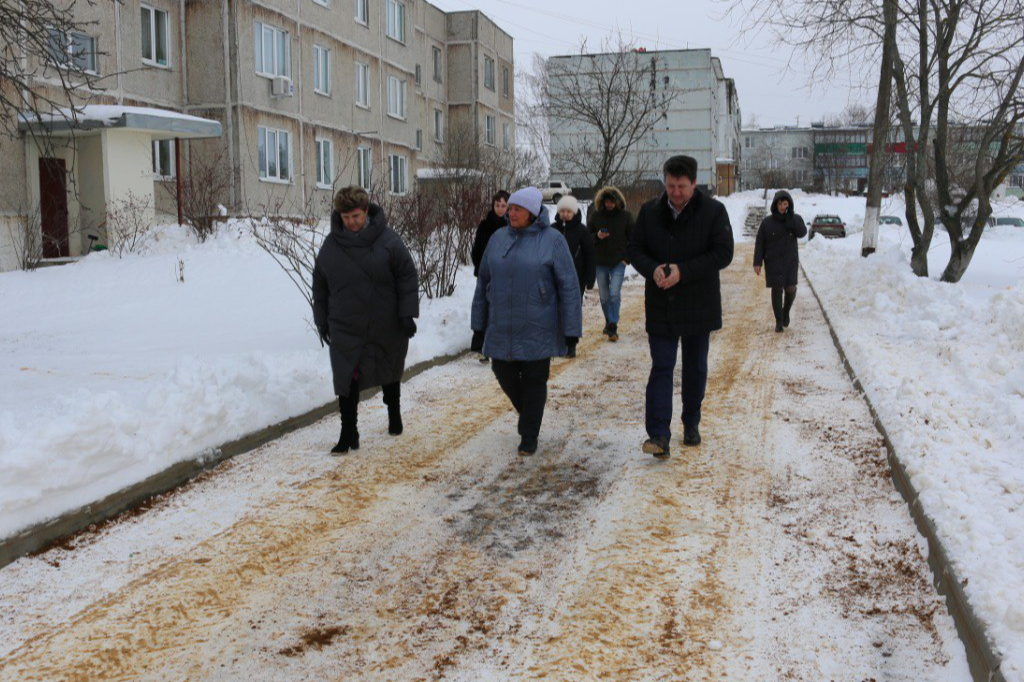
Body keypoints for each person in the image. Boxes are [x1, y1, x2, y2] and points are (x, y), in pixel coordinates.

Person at [627, 155, 734, 458]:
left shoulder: (714, 211)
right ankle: (659, 434)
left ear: (695, 183)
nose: (675, 192)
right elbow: (634, 248)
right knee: (662, 366)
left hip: (699, 303)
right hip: (661, 304)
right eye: (671, 185)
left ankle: (691, 421)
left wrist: (683, 271)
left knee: (695, 367)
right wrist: (653, 269)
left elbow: (724, 252)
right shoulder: (650, 211)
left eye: (682, 186)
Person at [471, 187, 582, 456]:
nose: (511, 213)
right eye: (510, 208)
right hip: (503, 324)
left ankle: (529, 433)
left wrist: (571, 331)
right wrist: (478, 325)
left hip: (539, 324)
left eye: (517, 209)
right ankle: (530, 413)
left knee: (534, 379)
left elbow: (568, 286)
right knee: (503, 372)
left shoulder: (553, 240)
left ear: (532, 213)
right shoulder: (498, 238)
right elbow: (484, 281)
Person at [312, 186, 419, 455]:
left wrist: (406, 314)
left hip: (384, 320)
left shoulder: (388, 240)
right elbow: (320, 285)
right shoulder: (331, 245)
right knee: (347, 378)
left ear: (366, 211)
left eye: (356, 216)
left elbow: (407, 275)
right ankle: (349, 433)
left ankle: (394, 412)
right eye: (346, 217)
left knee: (389, 368)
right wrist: (322, 320)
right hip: (346, 324)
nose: (352, 222)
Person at [753, 190, 807, 332]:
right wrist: (757, 262)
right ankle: (778, 321)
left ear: (789, 205)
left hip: (790, 261)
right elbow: (760, 243)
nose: (782, 206)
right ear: (775, 205)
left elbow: (802, 232)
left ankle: (786, 312)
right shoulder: (767, 222)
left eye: (785, 203)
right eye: (780, 204)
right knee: (777, 288)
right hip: (773, 261)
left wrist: (791, 219)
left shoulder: (795, 219)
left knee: (790, 288)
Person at [551, 195, 596, 357]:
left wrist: (591, 278)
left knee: (571, 312)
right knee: (555, 310)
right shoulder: (552, 229)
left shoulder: (582, 231)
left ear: (574, 212)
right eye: (562, 211)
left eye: (568, 211)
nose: (565, 214)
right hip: (554, 278)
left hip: (576, 278)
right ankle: (557, 342)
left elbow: (590, 255)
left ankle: (571, 344)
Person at [588, 186, 634, 342]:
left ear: (618, 202)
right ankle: (609, 321)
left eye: (612, 202)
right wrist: (597, 236)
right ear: (602, 202)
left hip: (618, 261)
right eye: (607, 201)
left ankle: (613, 324)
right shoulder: (595, 216)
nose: (609, 205)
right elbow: (588, 237)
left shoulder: (626, 217)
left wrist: (627, 258)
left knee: (614, 293)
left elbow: (633, 239)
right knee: (604, 296)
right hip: (600, 261)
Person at [470, 190, 510, 360]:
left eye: (503, 205)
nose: (500, 209)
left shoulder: (511, 227)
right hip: (486, 274)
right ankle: (483, 347)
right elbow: (476, 250)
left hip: (506, 276)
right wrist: (481, 267)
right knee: (484, 308)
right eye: (497, 205)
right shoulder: (484, 226)